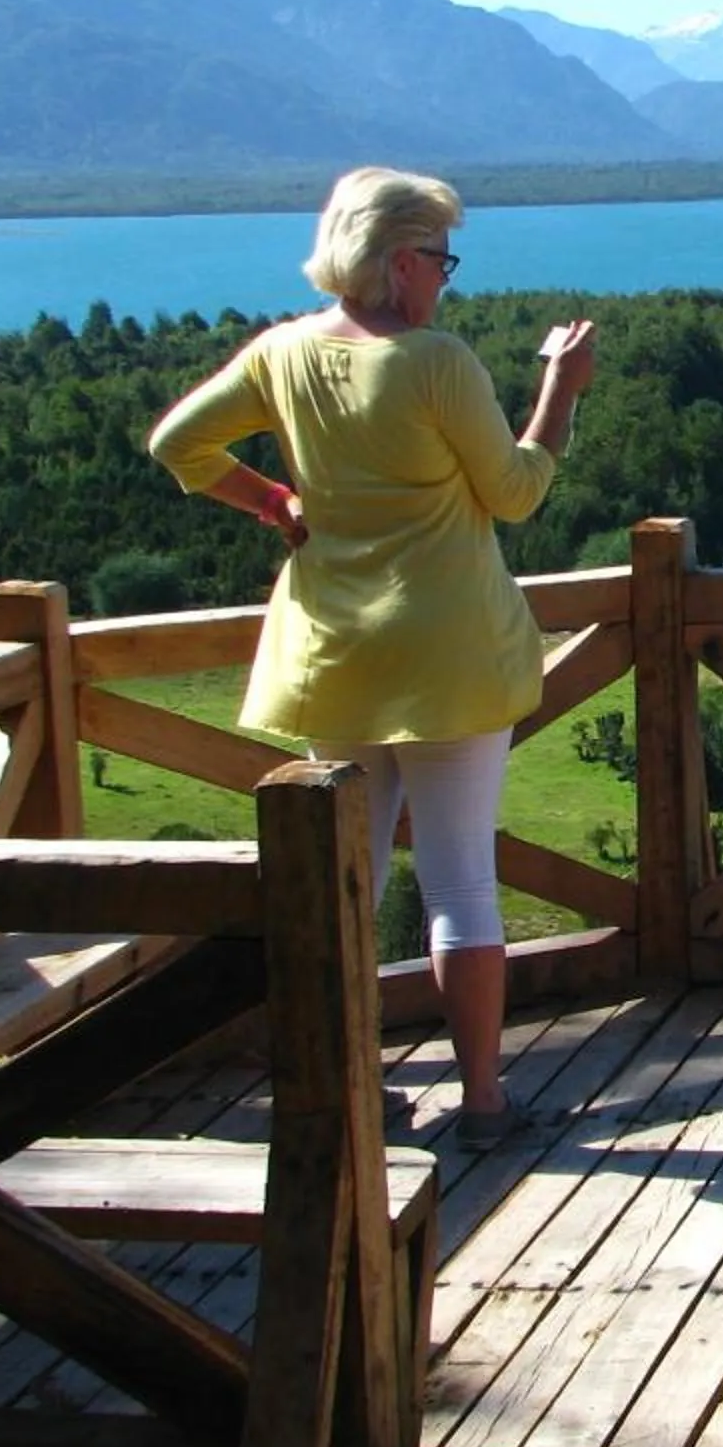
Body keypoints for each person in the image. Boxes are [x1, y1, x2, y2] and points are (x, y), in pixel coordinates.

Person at [147, 166, 594, 1141]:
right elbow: (516, 493)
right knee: (460, 883)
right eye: (441, 258)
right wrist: (560, 390)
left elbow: (179, 445)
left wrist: (274, 502)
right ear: (398, 261)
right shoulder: (435, 362)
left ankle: (352, 1089)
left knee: (350, 884)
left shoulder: (282, 353)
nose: (446, 277)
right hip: (450, 656)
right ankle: (483, 1102)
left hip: (336, 654)